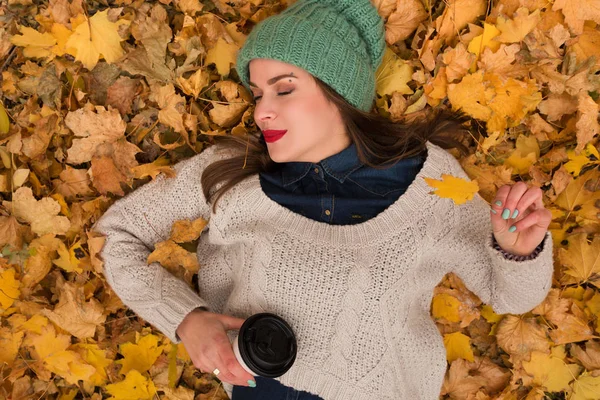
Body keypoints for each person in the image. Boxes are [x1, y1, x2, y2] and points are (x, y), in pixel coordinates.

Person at [93, 0, 554, 398]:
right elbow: (118, 235)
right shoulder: (231, 172)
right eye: (257, 94)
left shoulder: (428, 183)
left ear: (340, 93)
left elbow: (509, 296)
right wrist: (186, 319)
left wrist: (520, 251)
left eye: (284, 89)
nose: (261, 110)